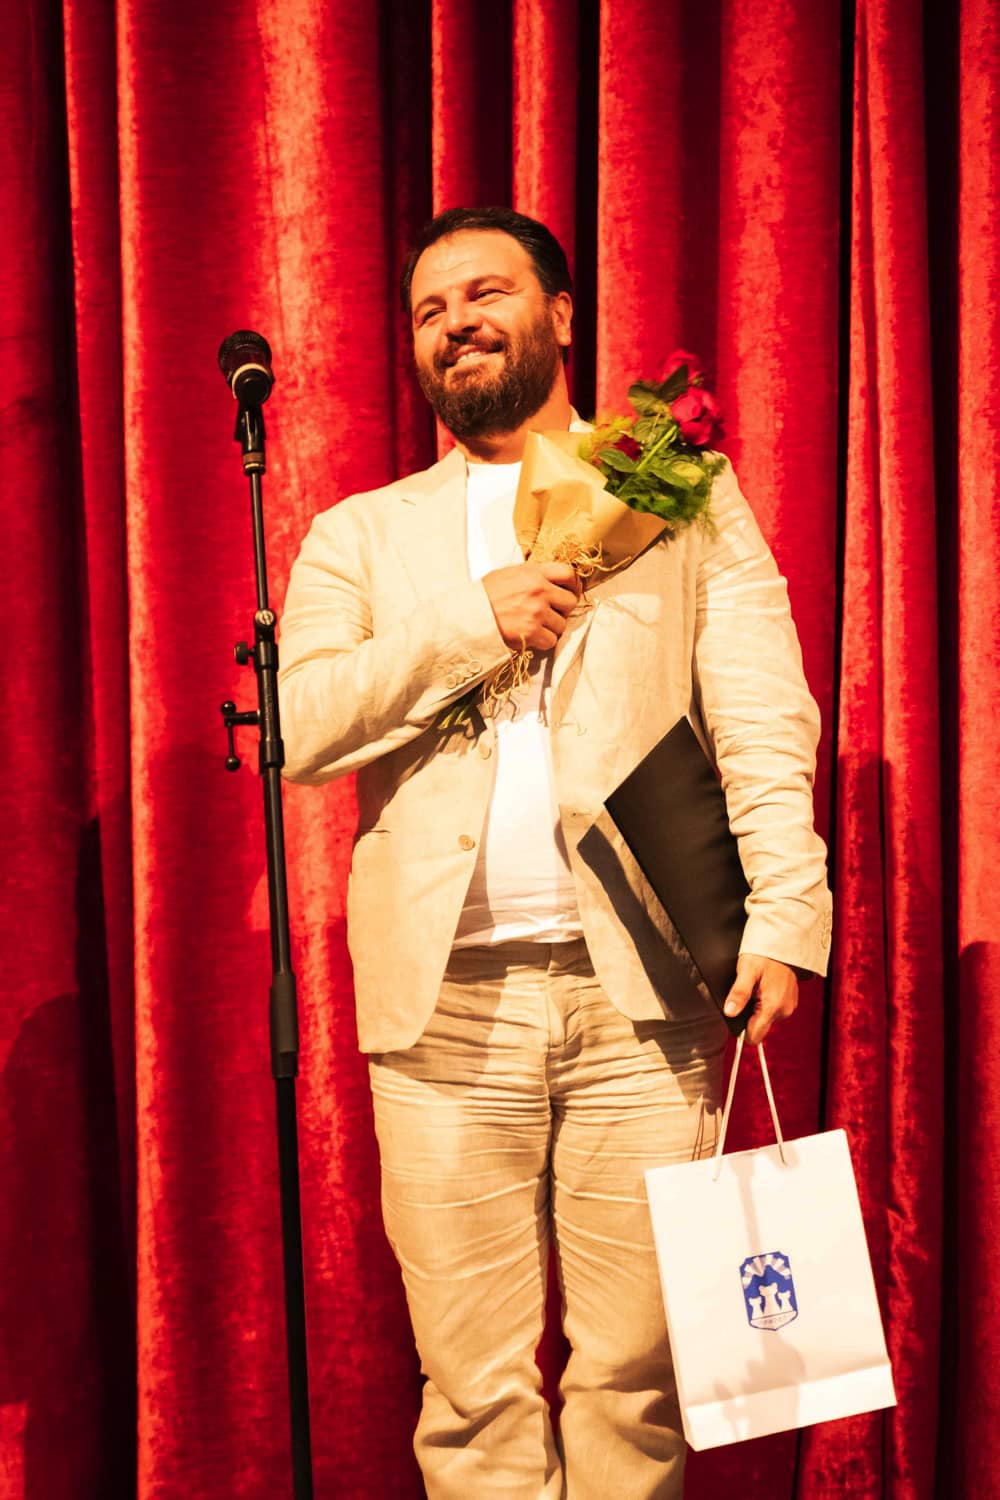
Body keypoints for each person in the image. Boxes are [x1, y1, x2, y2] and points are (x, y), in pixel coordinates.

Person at [277, 206, 832, 1500]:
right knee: (473, 1396)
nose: (457, 323)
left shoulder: (674, 490)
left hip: (643, 998)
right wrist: (471, 624)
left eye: (486, 292)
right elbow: (298, 728)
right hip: (443, 1014)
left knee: (634, 1386)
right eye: (429, 309)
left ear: (561, 314)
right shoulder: (358, 533)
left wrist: (783, 913)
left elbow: (759, 708)